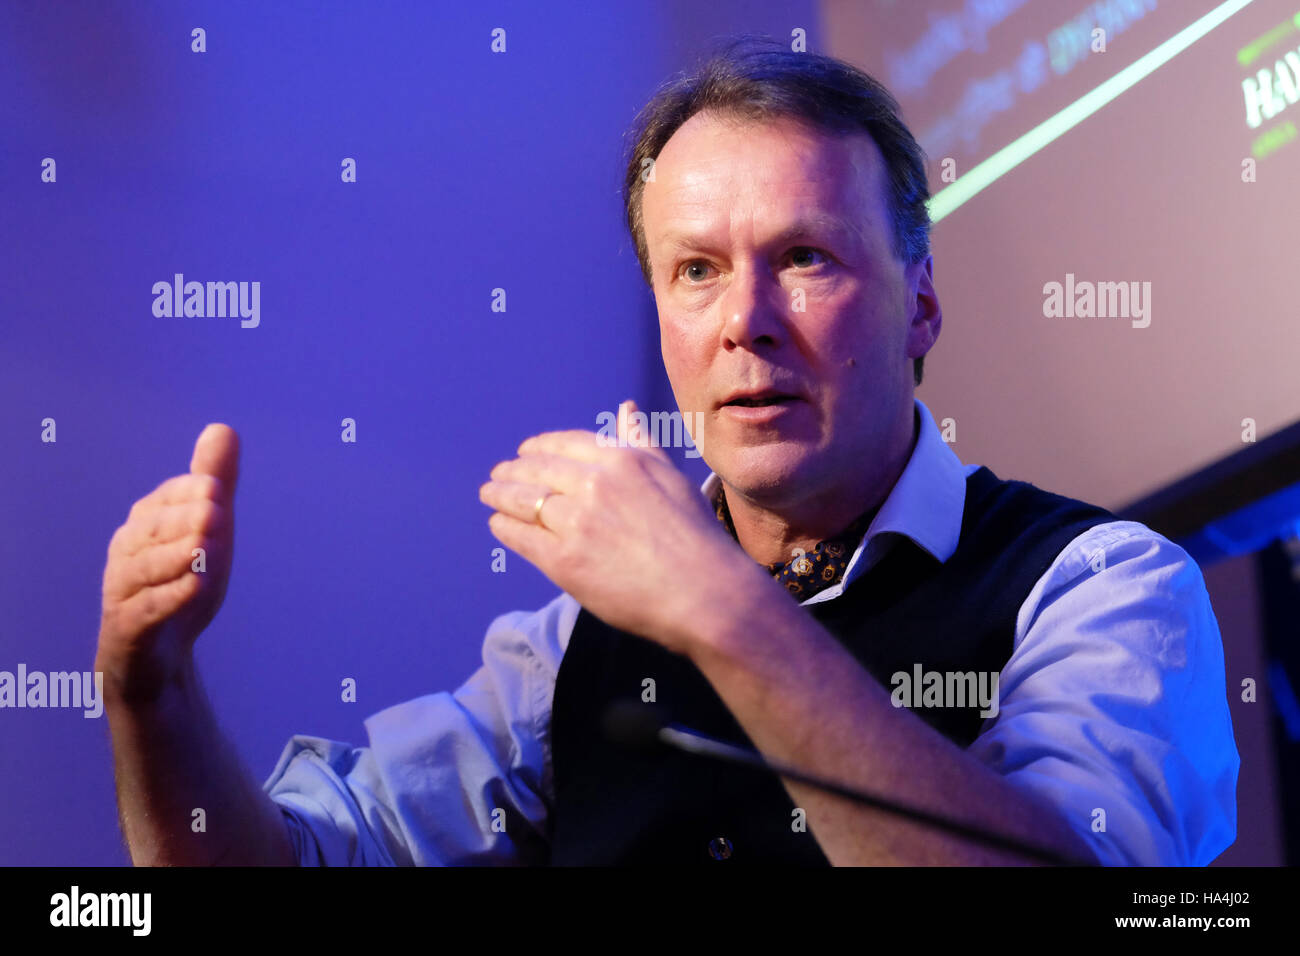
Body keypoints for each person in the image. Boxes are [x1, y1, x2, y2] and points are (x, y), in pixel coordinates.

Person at [95, 38, 1238, 867]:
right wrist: (152, 697)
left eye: (804, 256)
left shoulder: (1101, 586)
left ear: (921, 305)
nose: (744, 319)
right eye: (695, 270)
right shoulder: (563, 655)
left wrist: (719, 606)